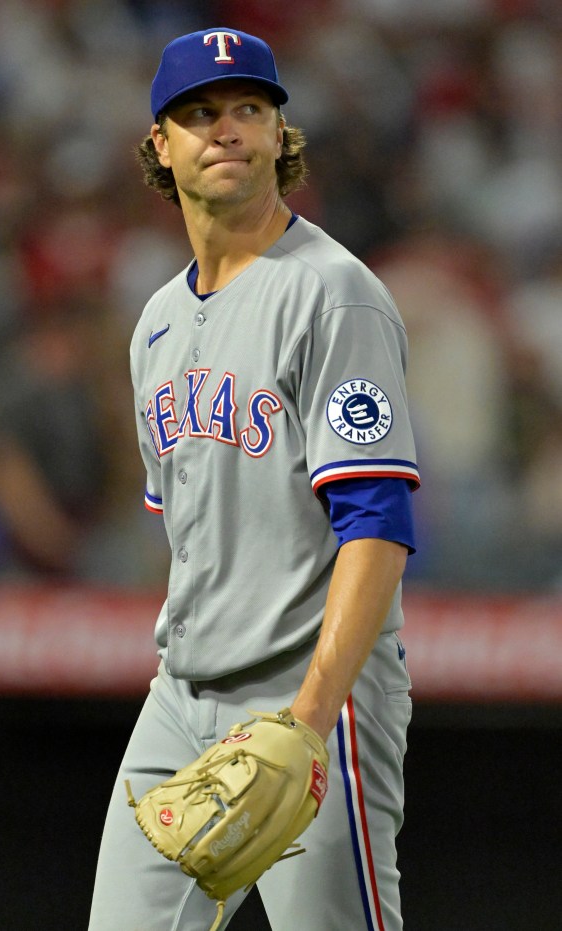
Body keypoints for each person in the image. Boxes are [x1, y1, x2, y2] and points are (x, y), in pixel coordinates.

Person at [89, 27, 419, 931]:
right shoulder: (154, 322)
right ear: (162, 145)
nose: (225, 128)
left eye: (248, 108)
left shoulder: (333, 291)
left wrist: (307, 719)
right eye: (198, 112)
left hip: (313, 691)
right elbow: (188, 528)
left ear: (280, 134)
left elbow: (377, 521)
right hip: (181, 693)